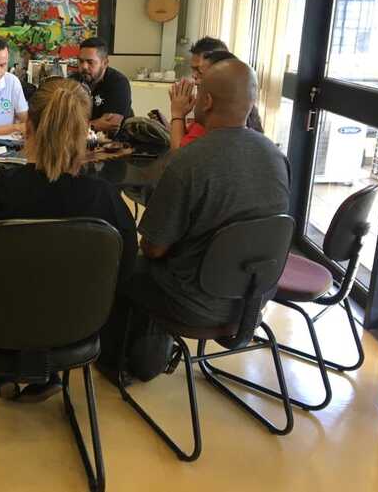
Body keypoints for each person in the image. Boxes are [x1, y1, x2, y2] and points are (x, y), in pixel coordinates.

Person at [0, 77, 138, 402]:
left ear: (27, 130)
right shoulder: (104, 200)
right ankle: (45, 371)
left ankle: (15, 369)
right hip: (76, 327)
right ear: (85, 136)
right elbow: (123, 274)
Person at [98, 59, 290, 382]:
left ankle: (122, 362)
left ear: (208, 101)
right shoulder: (276, 156)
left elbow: (155, 248)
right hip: (254, 297)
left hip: (194, 300)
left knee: (122, 262)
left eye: (199, 90)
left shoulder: (188, 161)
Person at [164, 51, 264, 149]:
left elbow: (179, 156)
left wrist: (177, 114)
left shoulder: (211, 125)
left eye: (201, 73)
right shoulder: (248, 126)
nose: (195, 78)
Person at [77, 37, 134, 134]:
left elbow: (111, 125)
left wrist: (76, 127)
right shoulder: (73, 81)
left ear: (105, 63)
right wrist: (93, 125)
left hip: (116, 144)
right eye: (81, 61)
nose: (84, 67)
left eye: (90, 62)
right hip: (81, 140)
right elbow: (64, 120)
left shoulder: (118, 82)